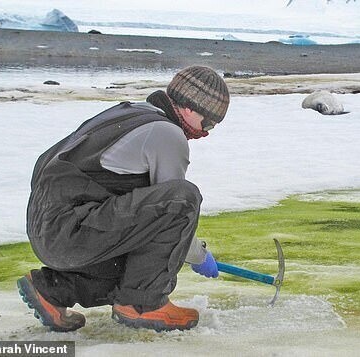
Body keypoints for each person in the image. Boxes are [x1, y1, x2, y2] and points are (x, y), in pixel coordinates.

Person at [17, 65, 229, 332]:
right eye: (208, 122)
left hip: (50, 228)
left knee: (136, 262)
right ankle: (143, 304)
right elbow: (174, 209)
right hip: (71, 230)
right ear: (189, 108)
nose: (206, 132)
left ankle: (53, 291)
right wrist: (199, 254)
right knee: (185, 199)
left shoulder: (131, 112)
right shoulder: (167, 133)